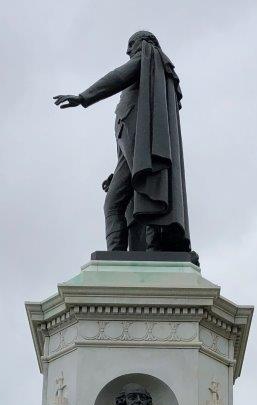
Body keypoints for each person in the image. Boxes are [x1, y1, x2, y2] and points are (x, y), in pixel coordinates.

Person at [54, 30, 190, 252]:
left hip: (143, 157)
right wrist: (116, 171)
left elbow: (116, 77)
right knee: (120, 202)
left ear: (144, 43)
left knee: (117, 203)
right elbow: (131, 146)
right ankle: (119, 258)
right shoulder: (142, 97)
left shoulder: (147, 57)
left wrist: (83, 97)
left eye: (131, 44)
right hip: (134, 157)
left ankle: (124, 254)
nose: (128, 51)